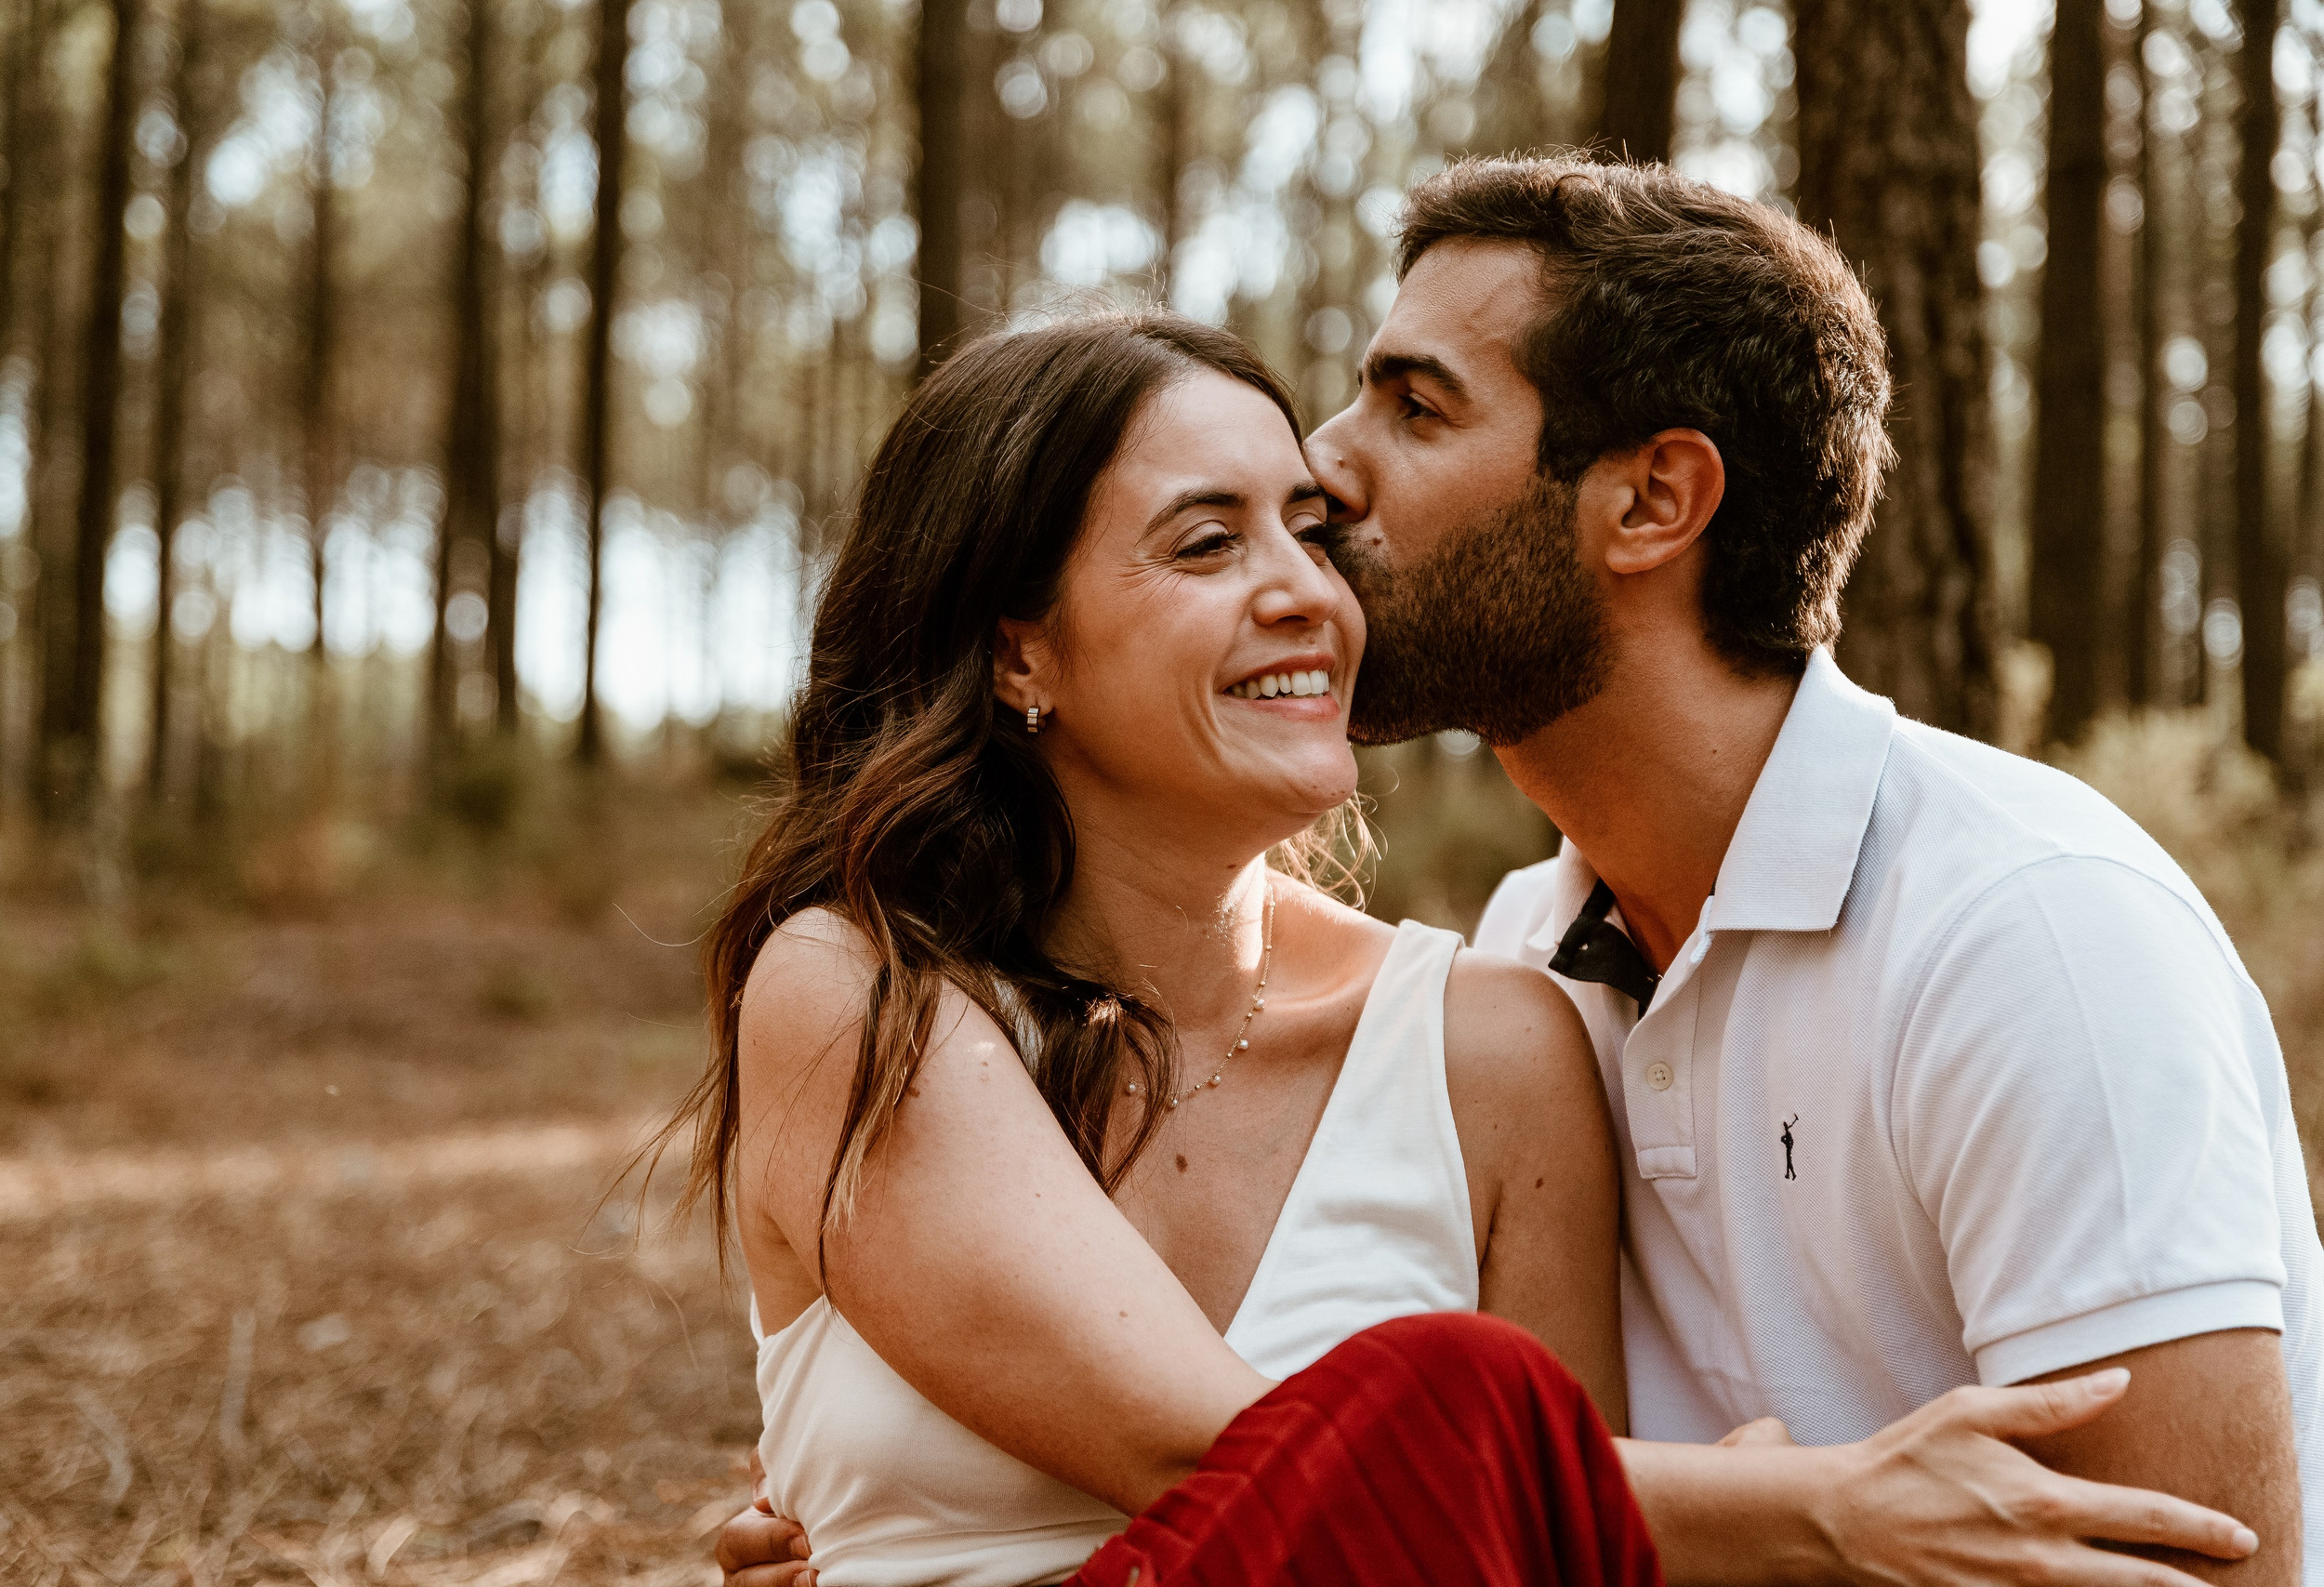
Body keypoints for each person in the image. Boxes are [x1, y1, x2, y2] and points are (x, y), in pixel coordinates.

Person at [718, 159, 2303, 1587]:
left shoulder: (2025, 932)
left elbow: (2204, 1561)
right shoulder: (1552, 943)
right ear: (1018, 653)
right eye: (1215, 537)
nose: (1332, 484)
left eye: (1415, 408)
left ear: (1650, 503)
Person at [683, 311, 1657, 1587]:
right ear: (1020, 652)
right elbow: (1231, 1458)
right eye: (1207, 543)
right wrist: (1817, 1514)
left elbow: (1564, 1553)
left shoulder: (1493, 1047)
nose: (1309, 591)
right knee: (1456, 1387)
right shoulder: (858, 993)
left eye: (1308, 531)